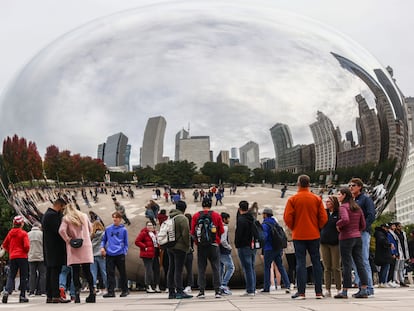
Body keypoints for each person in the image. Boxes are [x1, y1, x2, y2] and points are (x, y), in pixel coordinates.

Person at [283, 175, 327, 300]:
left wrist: (294, 228)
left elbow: (288, 218)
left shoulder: (293, 199)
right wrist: (317, 227)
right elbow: (323, 218)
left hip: (299, 235)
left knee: (300, 263)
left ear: (298, 184)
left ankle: (301, 292)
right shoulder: (316, 199)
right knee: (316, 262)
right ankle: (319, 292)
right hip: (314, 234)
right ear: (309, 184)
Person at [334, 187, 368, 299]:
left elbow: (345, 219)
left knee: (347, 264)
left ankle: (344, 291)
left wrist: (338, 224)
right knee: (360, 263)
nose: (338, 196)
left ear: (344, 195)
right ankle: (363, 288)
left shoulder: (343, 207)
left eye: (339, 194)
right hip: (357, 237)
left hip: (346, 238)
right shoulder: (357, 207)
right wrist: (357, 230)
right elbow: (363, 224)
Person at [59, 203, 95, 303]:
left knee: (75, 271)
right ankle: (92, 292)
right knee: (87, 270)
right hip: (85, 245)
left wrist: (68, 239)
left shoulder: (66, 218)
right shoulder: (84, 216)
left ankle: (77, 295)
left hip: (74, 247)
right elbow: (91, 229)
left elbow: (61, 230)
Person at [190, 197, 224, 299]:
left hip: (201, 246)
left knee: (201, 269)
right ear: (211, 205)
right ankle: (217, 291)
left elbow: (192, 232)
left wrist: (197, 241)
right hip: (214, 245)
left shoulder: (196, 216)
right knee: (216, 268)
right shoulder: (216, 215)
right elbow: (221, 230)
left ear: (202, 204)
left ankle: (201, 291)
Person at [348, 178, 375, 296]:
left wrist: (362, 227)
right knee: (355, 261)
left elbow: (371, 215)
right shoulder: (352, 201)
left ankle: (369, 287)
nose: (351, 188)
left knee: (363, 259)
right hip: (352, 233)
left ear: (359, 186)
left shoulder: (365, 199)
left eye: (353, 185)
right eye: (349, 186)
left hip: (362, 233)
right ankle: (361, 287)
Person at [42, 198, 71, 303]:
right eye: (63, 208)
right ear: (59, 205)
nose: (63, 210)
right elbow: (59, 230)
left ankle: (50, 295)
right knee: (55, 272)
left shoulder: (47, 215)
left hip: (49, 249)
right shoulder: (53, 216)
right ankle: (55, 295)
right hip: (55, 249)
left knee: (50, 272)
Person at [166, 200, 193, 299]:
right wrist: (188, 246)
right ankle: (180, 291)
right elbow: (186, 234)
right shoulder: (182, 218)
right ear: (184, 208)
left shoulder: (170, 216)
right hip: (180, 247)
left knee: (171, 269)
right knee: (178, 270)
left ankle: (171, 291)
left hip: (170, 246)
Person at [261, 208, 290, 294]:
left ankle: (266, 287)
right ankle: (287, 284)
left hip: (269, 248)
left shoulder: (265, 224)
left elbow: (264, 237)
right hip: (278, 248)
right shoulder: (276, 223)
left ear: (265, 215)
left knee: (267, 267)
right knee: (280, 266)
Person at [1, 215, 30, 303]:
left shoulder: (10, 233)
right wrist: (25, 251)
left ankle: (7, 291)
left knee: (11, 275)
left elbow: (4, 244)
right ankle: (22, 296)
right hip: (22, 257)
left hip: (13, 256)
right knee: (23, 276)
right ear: (21, 224)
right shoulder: (23, 233)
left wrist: (11, 251)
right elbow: (27, 246)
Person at [101, 211, 129, 298]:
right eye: (113, 217)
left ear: (120, 219)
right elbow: (104, 240)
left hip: (120, 253)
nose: (115, 219)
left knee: (122, 273)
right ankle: (110, 291)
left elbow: (126, 242)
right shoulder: (108, 229)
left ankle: (125, 290)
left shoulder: (124, 230)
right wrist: (102, 248)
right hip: (110, 253)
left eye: (116, 217)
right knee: (110, 273)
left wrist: (124, 251)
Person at [320, 195, 342, 297]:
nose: (327, 203)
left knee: (336, 267)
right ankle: (327, 289)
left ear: (333, 203)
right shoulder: (324, 213)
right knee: (326, 267)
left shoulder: (339, 213)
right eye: (326, 202)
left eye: (329, 202)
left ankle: (338, 288)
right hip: (324, 242)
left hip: (335, 243)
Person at [235, 200, 257, 296]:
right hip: (252, 245)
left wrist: (237, 244)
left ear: (240, 208)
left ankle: (250, 289)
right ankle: (253, 288)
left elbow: (239, 234)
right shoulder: (252, 218)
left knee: (247, 267)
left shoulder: (241, 220)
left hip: (244, 246)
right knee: (251, 267)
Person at [135, 221, 161, 293]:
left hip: (155, 253)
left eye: (151, 225)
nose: (150, 227)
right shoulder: (144, 233)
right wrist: (145, 247)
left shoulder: (156, 233)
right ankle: (148, 285)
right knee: (149, 270)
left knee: (156, 270)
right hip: (147, 254)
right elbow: (137, 241)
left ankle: (157, 285)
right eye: (148, 225)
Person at [28, 222, 46, 297]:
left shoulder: (27, 234)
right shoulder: (42, 234)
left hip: (31, 256)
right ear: (39, 227)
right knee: (43, 274)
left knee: (32, 274)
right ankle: (43, 291)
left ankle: (31, 291)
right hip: (41, 256)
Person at [219, 212, 234, 295]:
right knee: (231, 268)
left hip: (218, 250)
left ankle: (220, 286)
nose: (229, 220)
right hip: (224, 250)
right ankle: (224, 285)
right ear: (224, 219)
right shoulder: (224, 227)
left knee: (221, 269)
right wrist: (229, 247)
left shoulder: (217, 226)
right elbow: (223, 240)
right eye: (228, 218)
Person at [90, 220, 107, 294]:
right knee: (104, 272)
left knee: (93, 273)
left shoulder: (92, 235)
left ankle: (93, 288)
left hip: (92, 255)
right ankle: (107, 287)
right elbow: (106, 243)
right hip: (101, 255)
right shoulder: (103, 234)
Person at [374, 223, 392, 287]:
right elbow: (382, 241)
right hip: (383, 255)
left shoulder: (380, 234)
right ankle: (383, 282)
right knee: (385, 268)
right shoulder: (380, 234)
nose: (387, 230)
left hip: (383, 254)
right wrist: (389, 245)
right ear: (383, 227)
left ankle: (382, 282)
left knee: (384, 268)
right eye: (386, 228)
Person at [394, 222, 410, 287]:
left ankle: (401, 281)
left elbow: (405, 244)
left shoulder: (403, 233)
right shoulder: (394, 234)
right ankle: (395, 280)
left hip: (403, 252)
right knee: (396, 267)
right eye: (399, 226)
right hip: (398, 252)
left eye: (401, 226)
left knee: (401, 267)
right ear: (396, 227)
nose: (400, 227)